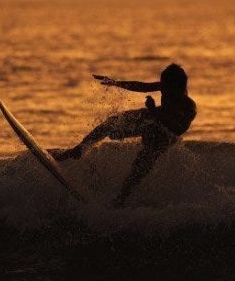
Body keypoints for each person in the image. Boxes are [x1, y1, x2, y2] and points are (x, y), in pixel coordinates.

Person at [53, 63, 196, 205]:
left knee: (141, 164)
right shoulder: (167, 86)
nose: (162, 90)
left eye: (166, 88)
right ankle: (79, 150)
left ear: (178, 88)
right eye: (162, 85)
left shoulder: (189, 107)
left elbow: (175, 127)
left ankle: (121, 199)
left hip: (165, 135)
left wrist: (153, 112)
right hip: (154, 116)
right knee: (113, 122)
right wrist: (116, 83)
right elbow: (142, 86)